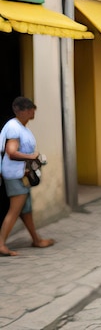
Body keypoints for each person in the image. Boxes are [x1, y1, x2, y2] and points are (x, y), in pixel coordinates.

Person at [0, 97, 54, 256]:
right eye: (30, 109)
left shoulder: (22, 127)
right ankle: (1, 244)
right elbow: (11, 152)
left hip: (22, 175)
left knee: (26, 209)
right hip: (15, 175)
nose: (33, 111)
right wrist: (33, 157)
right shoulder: (14, 127)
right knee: (15, 210)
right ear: (22, 111)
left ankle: (36, 240)